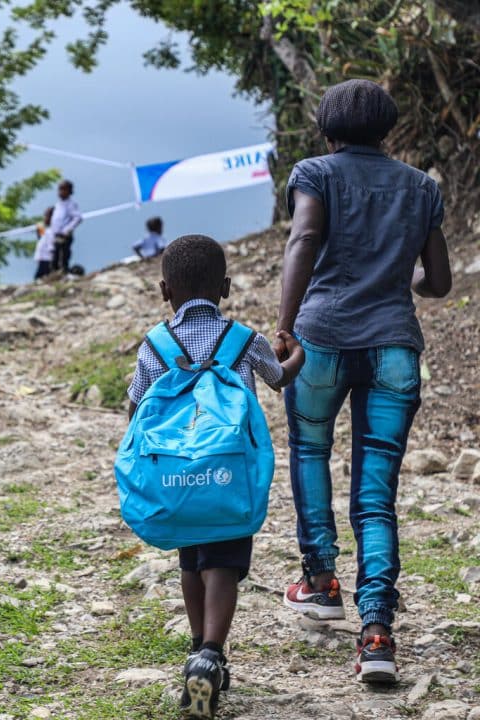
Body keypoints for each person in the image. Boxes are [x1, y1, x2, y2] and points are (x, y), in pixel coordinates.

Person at [275, 79, 452, 684]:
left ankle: (321, 581)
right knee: (377, 492)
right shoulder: (422, 187)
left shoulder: (315, 172)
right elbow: (439, 281)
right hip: (394, 347)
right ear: (388, 131)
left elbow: (303, 238)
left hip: (321, 338)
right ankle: (377, 634)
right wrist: (402, 283)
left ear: (327, 131)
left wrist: (284, 326)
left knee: (311, 452)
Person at [127, 235, 304, 719]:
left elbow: (136, 406)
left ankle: (194, 646)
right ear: (225, 287)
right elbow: (278, 377)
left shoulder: (155, 344)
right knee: (223, 563)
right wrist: (296, 357)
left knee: (191, 560)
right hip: (228, 475)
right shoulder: (244, 340)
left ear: (166, 290)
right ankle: (212, 652)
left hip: (179, 479)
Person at [50, 179, 82, 273]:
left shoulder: (71, 204)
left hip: (65, 235)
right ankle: (54, 275)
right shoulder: (58, 205)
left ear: (69, 191)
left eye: (64, 189)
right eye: (60, 189)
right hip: (56, 235)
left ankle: (64, 274)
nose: (61, 192)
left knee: (63, 257)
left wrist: (66, 230)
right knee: (55, 258)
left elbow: (77, 218)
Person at [34, 206, 55, 280]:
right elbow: (42, 238)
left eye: (46, 215)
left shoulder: (54, 231)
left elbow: (52, 247)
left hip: (47, 260)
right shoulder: (48, 230)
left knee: (39, 279)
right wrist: (39, 230)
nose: (44, 218)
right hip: (43, 259)